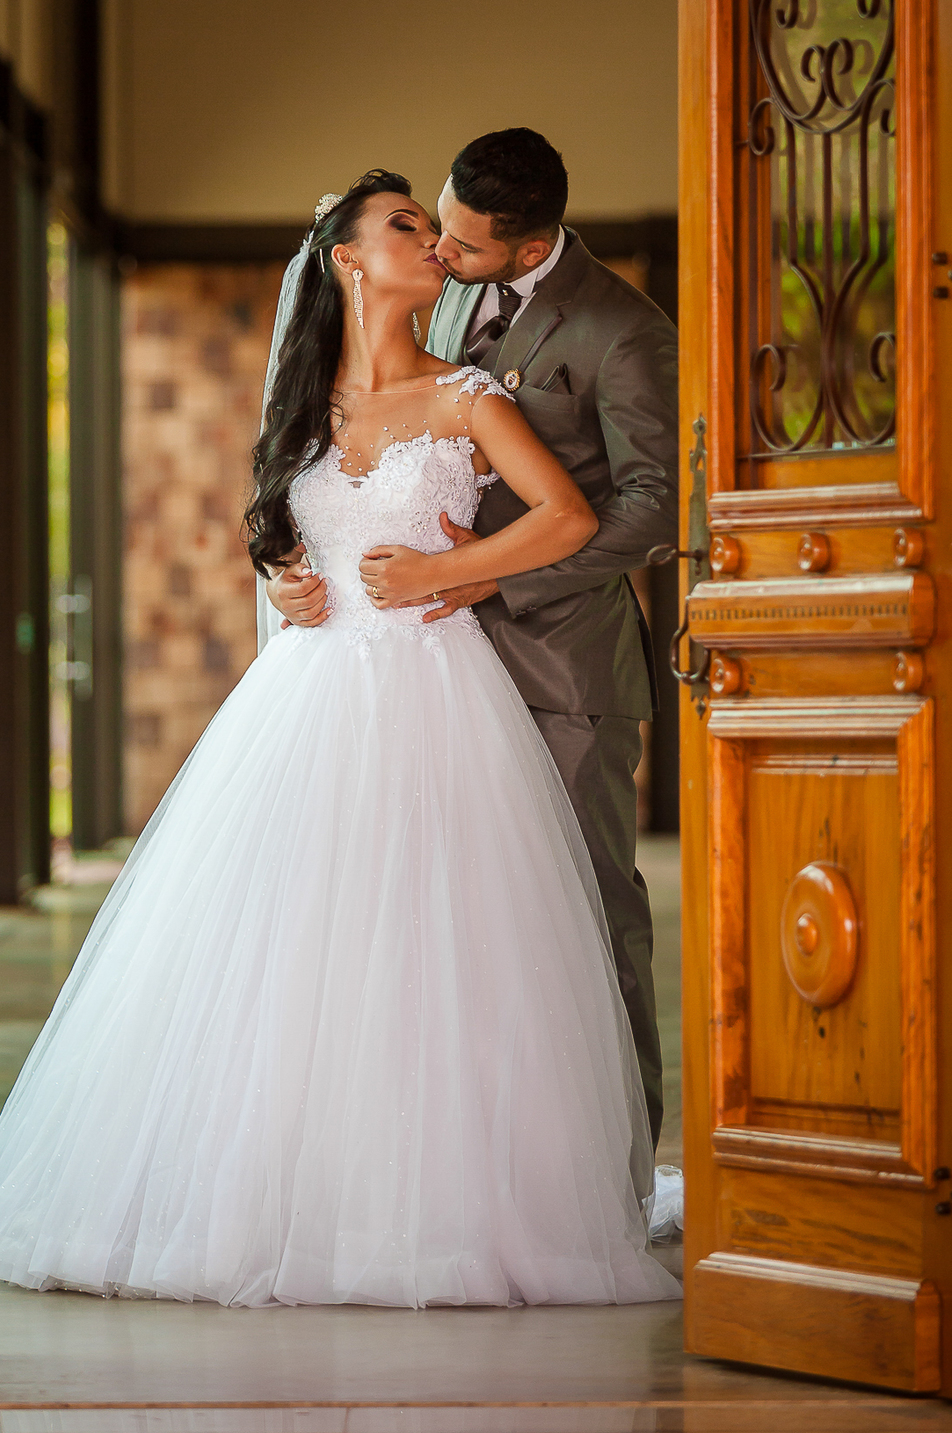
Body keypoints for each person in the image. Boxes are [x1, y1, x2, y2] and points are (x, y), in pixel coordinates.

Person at [0, 169, 680, 1309]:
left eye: (439, 226)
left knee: (451, 949)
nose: (434, 246)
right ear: (349, 261)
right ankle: (276, 1189)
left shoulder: (467, 393)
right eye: (407, 226)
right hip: (306, 701)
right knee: (289, 945)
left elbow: (574, 516)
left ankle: (484, 1195)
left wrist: (448, 571)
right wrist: (282, 575)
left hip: (442, 694)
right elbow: (274, 521)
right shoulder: (304, 405)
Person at [275, 132, 679, 1148]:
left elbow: (655, 507)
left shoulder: (623, 330)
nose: (443, 253)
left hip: (561, 662)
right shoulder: (432, 290)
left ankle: (611, 1166)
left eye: (462, 242)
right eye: (433, 229)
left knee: (584, 917)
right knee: (443, 931)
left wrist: (488, 571)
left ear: (527, 239)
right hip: (427, 672)